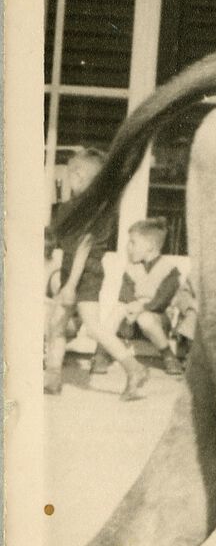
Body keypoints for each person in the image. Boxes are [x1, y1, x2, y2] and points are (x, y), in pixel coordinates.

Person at [45, 149, 149, 400]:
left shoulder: (80, 209)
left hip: (82, 271)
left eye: (71, 175)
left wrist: (69, 286)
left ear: (79, 176)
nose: (68, 180)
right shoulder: (99, 207)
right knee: (56, 323)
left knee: (91, 326)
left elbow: (83, 248)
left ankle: (134, 368)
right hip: (85, 270)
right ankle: (53, 379)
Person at [107, 218, 186, 376]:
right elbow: (125, 293)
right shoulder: (132, 268)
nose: (128, 247)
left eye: (133, 243)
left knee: (145, 318)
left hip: (156, 322)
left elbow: (161, 300)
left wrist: (141, 308)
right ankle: (101, 353)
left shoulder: (169, 270)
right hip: (131, 322)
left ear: (149, 247)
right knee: (117, 310)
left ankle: (168, 356)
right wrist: (133, 309)